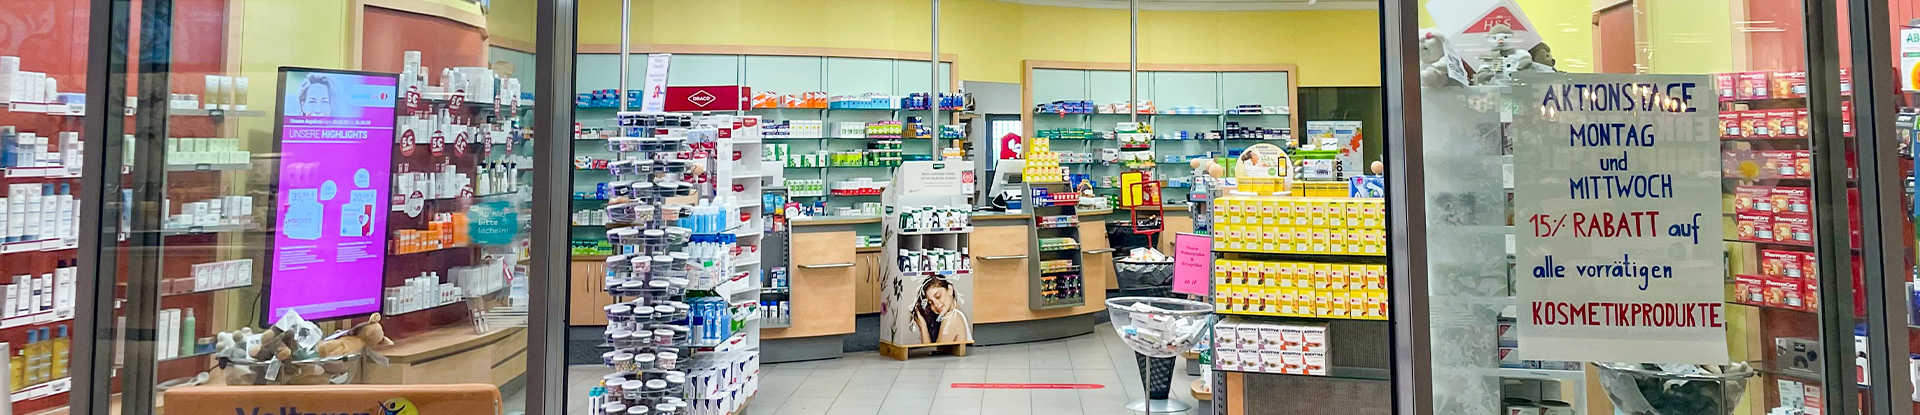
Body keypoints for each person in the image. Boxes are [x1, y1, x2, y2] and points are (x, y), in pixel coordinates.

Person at [911, 276, 971, 344]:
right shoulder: (957, 313)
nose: (935, 305)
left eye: (938, 296)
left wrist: (923, 327)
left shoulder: (952, 318)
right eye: (930, 302)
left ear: (950, 290)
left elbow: (934, 353)